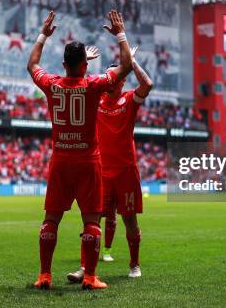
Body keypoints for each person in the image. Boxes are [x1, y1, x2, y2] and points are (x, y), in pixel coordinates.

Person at [28, 10, 132, 290]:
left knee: (51, 219)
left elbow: (32, 64)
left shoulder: (52, 85)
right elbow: (125, 67)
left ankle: (45, 276)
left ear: (63, 64)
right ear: (86, 64)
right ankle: (90, 277)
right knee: (90, 220)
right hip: (88, 161)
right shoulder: (93, 85)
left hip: (61, 160)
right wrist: (120, 34)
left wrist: (43, 35)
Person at [67, 45, 153, 283]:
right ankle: (85, 268)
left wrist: (132, 61)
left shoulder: (129, 100)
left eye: (118, 77)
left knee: (129, 220)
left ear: (123, 81)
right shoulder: (96, 99)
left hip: (126, 171)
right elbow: (75, 84)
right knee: (91, 221)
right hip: (101, 172)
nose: (114, 81)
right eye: (111, 77)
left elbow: (147, 85)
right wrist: (84, 60)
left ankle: (134, 264)